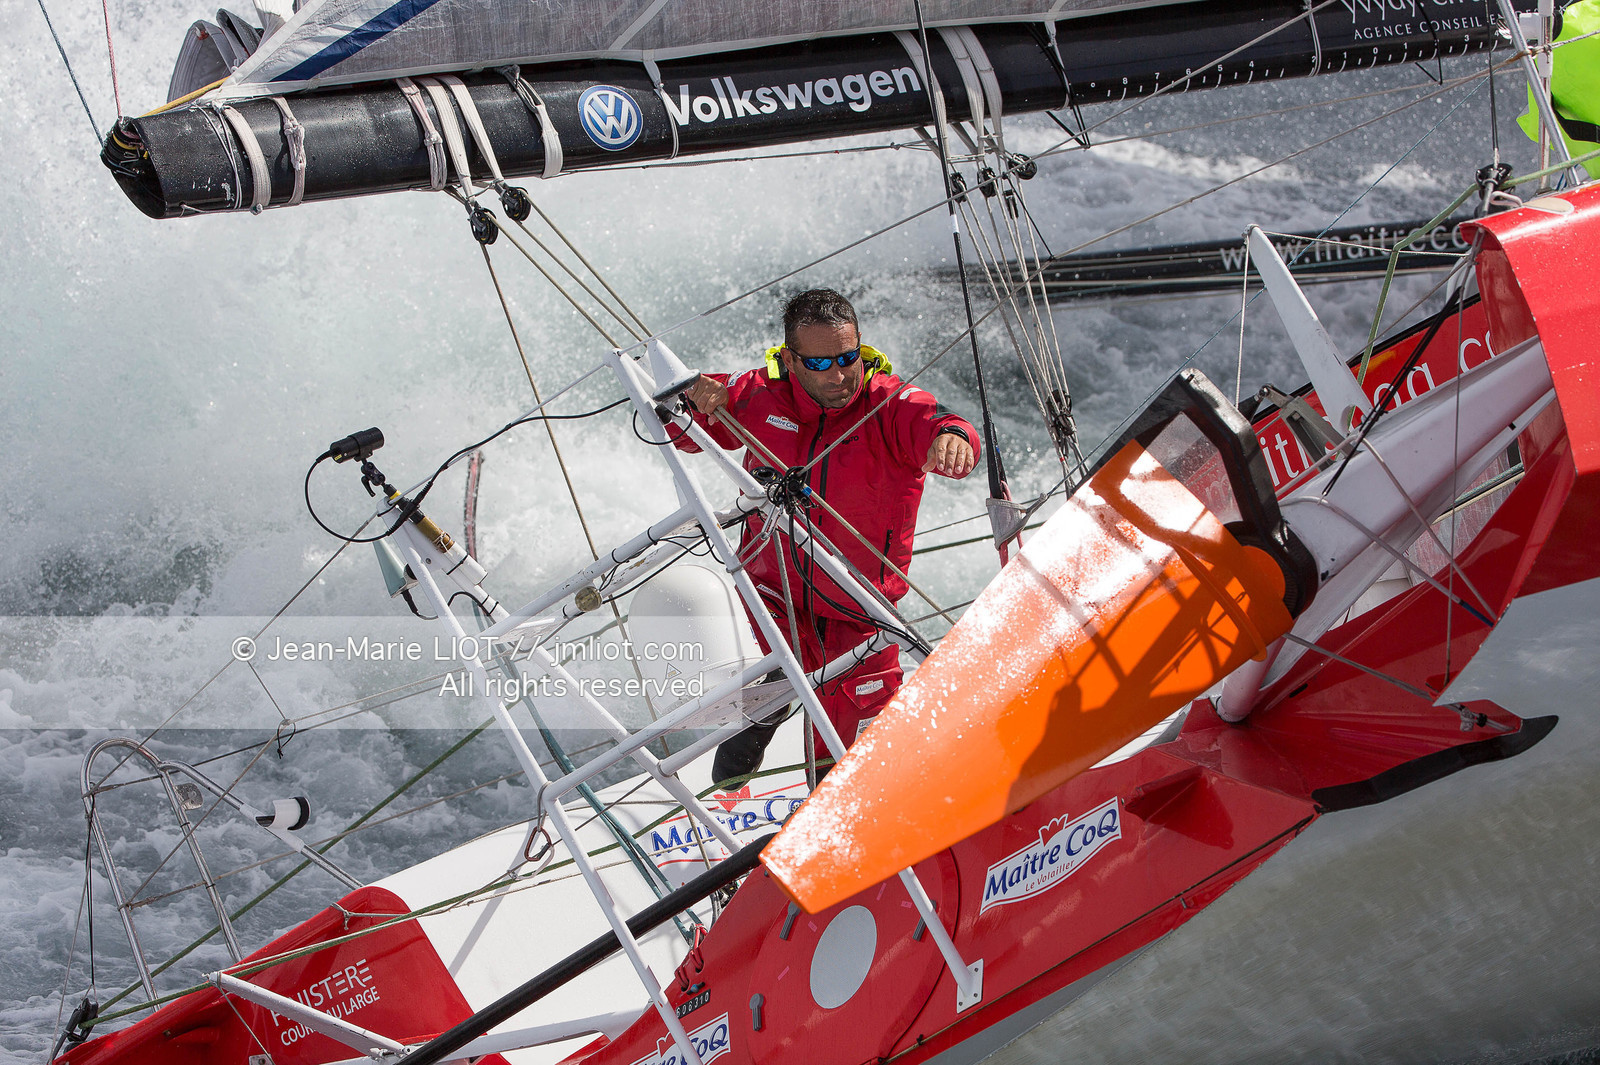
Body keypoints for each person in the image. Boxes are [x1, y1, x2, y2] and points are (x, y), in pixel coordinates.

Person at [674, 289, 978, 783]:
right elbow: (684, 433)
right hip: (772, 594)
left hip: (860, 610)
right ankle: (773, 697)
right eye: (820, 363)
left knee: (855, 749)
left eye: (848, 357)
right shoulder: (757, 394)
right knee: (796, 670)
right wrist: (693, 400)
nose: (840, 376)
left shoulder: (889, 405)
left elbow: (940, 419)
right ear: (791, 360)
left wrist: (955, 437)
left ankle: (822, 809)